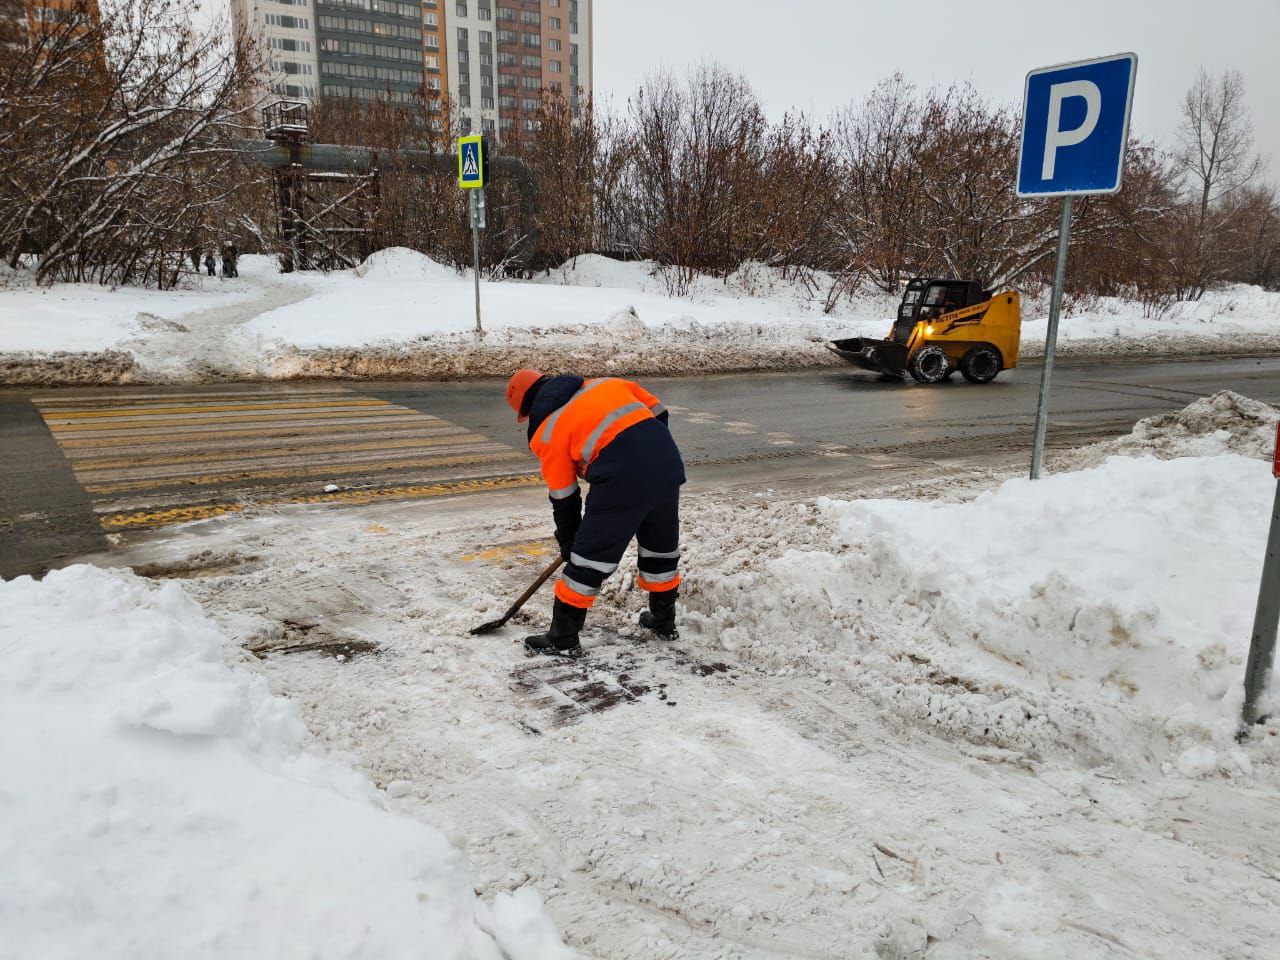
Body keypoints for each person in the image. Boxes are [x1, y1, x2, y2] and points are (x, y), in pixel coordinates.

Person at [506, 369, 686, 657]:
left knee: (587, 560)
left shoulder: (547, 431)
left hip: (621, 478)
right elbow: (659, 412)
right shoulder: (607, 384)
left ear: (527, 410)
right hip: (666, 463)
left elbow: (564, 496)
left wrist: (570, 541)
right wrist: (651, 452)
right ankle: (664, 620)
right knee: (660, 548)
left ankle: (563, 636)